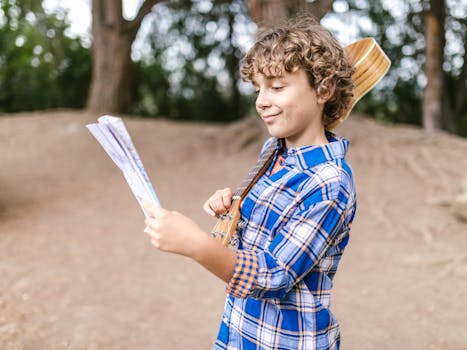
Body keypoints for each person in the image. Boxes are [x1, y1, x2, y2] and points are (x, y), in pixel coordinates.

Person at [141, 16, 357, 349]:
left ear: (323, 89)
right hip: (244, 332)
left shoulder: (330, 183)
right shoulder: (274, 150)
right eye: (258, 89)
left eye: (277, 86)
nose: (261, 101)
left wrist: (197, 244)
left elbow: (273, 275)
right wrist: (233, 204)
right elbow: (267, 221)